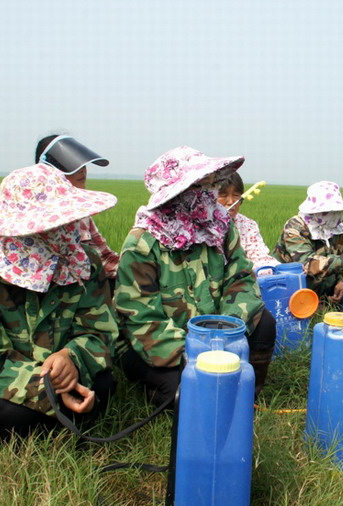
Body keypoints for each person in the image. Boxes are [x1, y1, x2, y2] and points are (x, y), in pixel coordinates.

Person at [0, 163, 120, 443]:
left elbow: (100, 332)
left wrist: (71, 358)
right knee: (11, 415)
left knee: (104, 386)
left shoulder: (84, 262)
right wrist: (50, 387)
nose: (65, 230)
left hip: (65, 372)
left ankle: (56, 420)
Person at [114, 146, 276, 407]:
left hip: (217, 332)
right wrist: (194, 351)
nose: (209, 195)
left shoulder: (220, 227)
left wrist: (228, 330)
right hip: (160, 342)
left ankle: (246, 396)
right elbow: (140, 316)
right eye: (200, 187)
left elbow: (242, 277)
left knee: (264, 322)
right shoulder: (143, 243)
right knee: (187, 394)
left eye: (211, 185)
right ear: (176, 193)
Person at [272, 180, 343, 303]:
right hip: (290, 291)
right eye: (330, 211)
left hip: (324, 291)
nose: (335, 215)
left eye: (337, 211)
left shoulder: (337, 229)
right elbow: (308, 264)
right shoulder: (295, 228)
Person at [35, 134, 120, 280]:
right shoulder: (30, 216)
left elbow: (105, 258)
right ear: (48, 171)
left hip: (82, 287)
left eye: (82, 165)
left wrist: (140, 270)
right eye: (71, 165)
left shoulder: (81, 215)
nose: (82, 171)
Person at [216, 172, 280, 271]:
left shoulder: (247, 225)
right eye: (223, 196)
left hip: (243, 277)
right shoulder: (200, 226)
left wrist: (278, 269)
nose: (231, 201)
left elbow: (260, 257)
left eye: (236, 195)